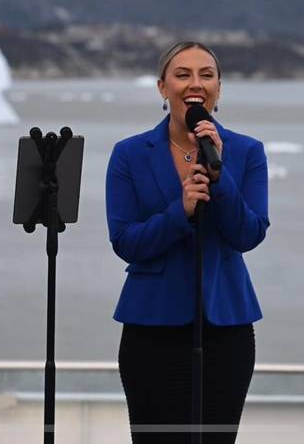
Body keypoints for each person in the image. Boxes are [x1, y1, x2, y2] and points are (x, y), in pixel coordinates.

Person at [105, 41, 269, 443]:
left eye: (206, 75)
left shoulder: (246, 152)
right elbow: (126, 241)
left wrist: (220, 171)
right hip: (151, 329)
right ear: (163, 87)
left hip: (226, 328)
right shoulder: (129, 154)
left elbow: (248, 234)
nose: (195, 84)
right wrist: (180, 213)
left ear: (218, 88)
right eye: (183, 75)